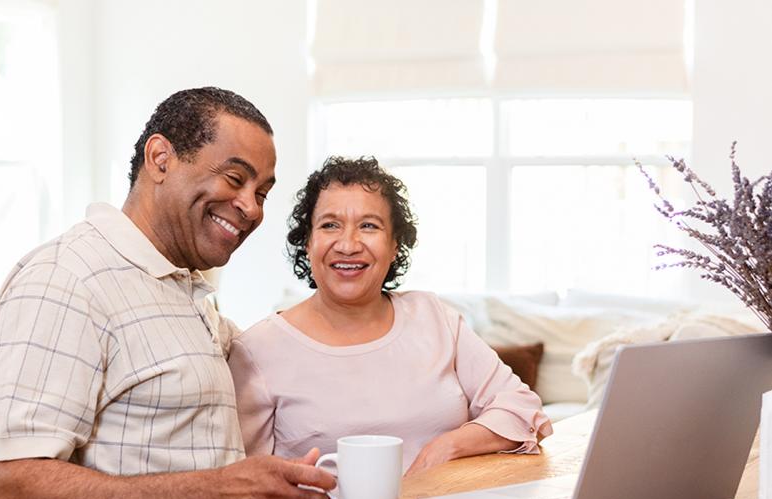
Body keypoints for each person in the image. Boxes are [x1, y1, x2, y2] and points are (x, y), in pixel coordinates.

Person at [0, 87, 335, 499]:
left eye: (262, 194)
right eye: (235, 178)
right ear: (161, 157)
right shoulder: (66, 280)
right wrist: (217, 493)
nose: (252, 209)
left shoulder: (181, 287)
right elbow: (16, 494)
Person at [230, 156, 553, 475]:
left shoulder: (435, 318)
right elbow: (244, 482)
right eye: (330, 225)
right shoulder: (258, 348)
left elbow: (521, 408)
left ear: (394, 244)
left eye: (369, 226)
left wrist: (445, 447)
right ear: (309, 242)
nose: (348, 244)